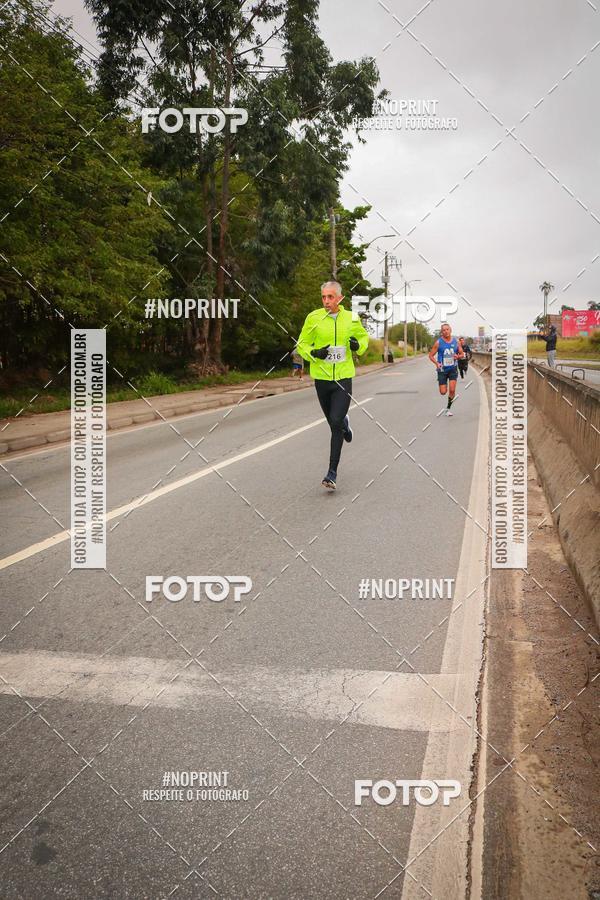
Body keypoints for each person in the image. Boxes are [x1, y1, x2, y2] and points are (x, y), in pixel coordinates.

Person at [296, 280, 369, 489]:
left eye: (330, 297)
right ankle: (345, 425)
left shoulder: (351, 318)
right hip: (322, 377)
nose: (326, 301)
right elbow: (302, 344)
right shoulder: (314, 318)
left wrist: (358, 345)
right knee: (333, 422)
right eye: (323, 297)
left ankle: (332, 473)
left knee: (335, 422)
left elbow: (363, 339)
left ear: (340, 298)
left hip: (343, 377)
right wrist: (314, 353)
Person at [428, 323, 464, 416]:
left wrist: (458, 356)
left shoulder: (456, 342)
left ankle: (448, 409)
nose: (446, 331)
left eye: (447, 329)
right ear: (441, 332)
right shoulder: (438, 342)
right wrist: (437, 363)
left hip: (453, 369)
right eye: (443, 330)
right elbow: (431, 355)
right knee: (443, 392)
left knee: (452, 390)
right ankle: (441, 381)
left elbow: (462, 354)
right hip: (442, 370)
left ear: (450, 330)